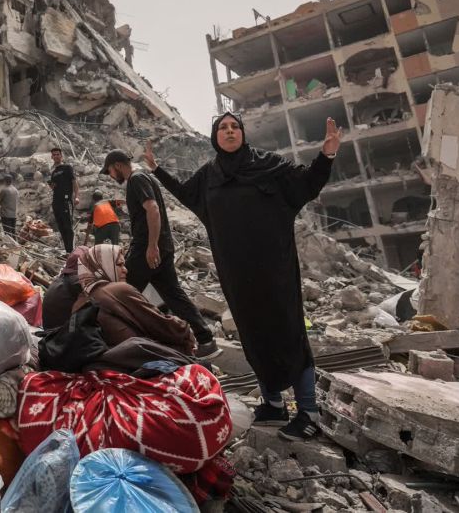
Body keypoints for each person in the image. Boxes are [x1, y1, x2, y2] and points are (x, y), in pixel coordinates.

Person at [144, 112, 341, 442]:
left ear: (243, 134)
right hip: (236, 273)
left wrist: (327, 156)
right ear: (215, 136)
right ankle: (274, 404)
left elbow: (307, 184)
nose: (230, 130)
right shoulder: (209, 176)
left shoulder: (270, 166)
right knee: (253, 333)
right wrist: (156, 170)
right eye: (223, 127)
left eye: (235, 126)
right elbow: (185, 194)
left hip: (274, 269)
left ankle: (309, 411)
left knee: (289, 332)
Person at [100, 149, 219, 359]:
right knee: (174, 295)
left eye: (109, 171)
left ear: (117, 166)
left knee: (120, 293)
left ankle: (110, 342)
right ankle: (205, 340)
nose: (110, 176)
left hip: (148, 249)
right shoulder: (144, 178)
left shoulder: (136, 179)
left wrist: (151, 246)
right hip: (160, 247)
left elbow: (152, 209)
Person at [70, 244, 196, 356]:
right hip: (137, 360)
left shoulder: (80, 301)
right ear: (103, 266)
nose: (126, 269)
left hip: (108, 362)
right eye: (119, 265)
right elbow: (161, 325)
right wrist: (186, 330)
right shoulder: (118, 290)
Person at [48, 147, 79, 253]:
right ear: (52, 157)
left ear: (61, 156)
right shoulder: (53, 172)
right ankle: (67, 251)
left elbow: (74, 182)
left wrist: (76, 196)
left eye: (58, 154)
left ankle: (71, 250)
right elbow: (53, 187)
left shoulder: (67, 168)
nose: (56, 156)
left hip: (66, 201)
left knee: (68, 226)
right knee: (61, 227)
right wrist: (50, 184)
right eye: (54, 155)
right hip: (56, 202)